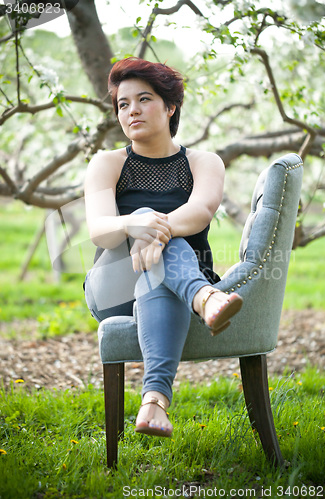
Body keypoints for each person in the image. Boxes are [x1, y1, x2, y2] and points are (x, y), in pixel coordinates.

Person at [84, 57, 243, 438]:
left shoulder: (204, 162)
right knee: (151, 230)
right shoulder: (107, 163)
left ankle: (154, 402)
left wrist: (153, 230)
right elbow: (100, 233)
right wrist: (133, 223)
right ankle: (206, 299)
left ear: (170, 107)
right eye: (123, 104)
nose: (132, 110)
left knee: (160, 261)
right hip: (112, 287)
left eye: (144, 99)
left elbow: (200, 213)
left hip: (173, 281)